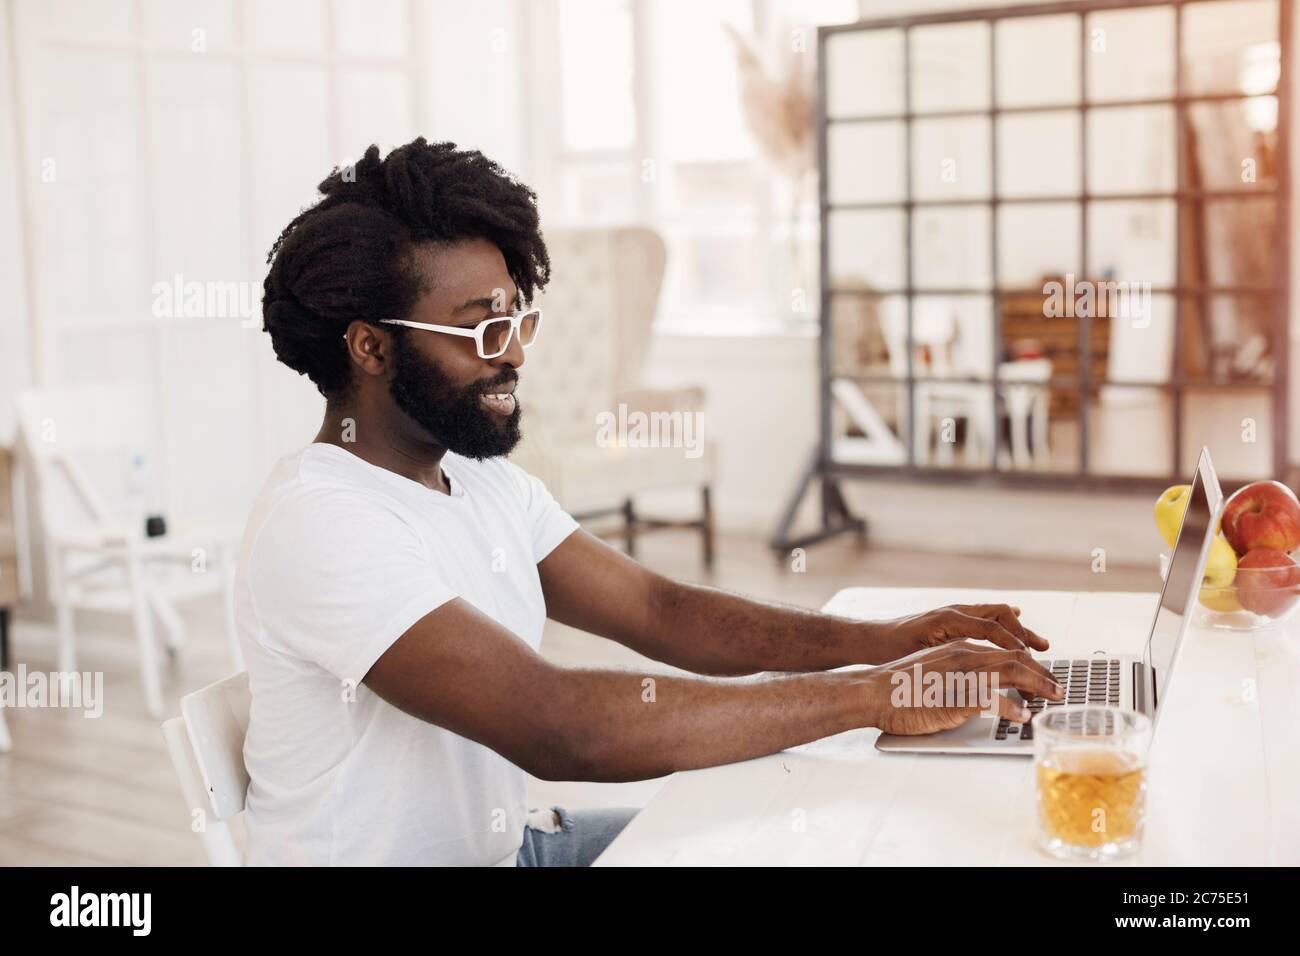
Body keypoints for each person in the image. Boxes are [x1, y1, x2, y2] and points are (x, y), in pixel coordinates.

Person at [237, 138, 1064, 867]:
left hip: (517, 848)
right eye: (484, 332)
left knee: (797, 834)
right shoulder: (322, 522)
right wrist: (877, 693)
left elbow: (658, 607)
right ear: (372, 346)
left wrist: (883, 640)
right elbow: (556, 724)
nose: (517, 353)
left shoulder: (478, 478)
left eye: (517, 320)